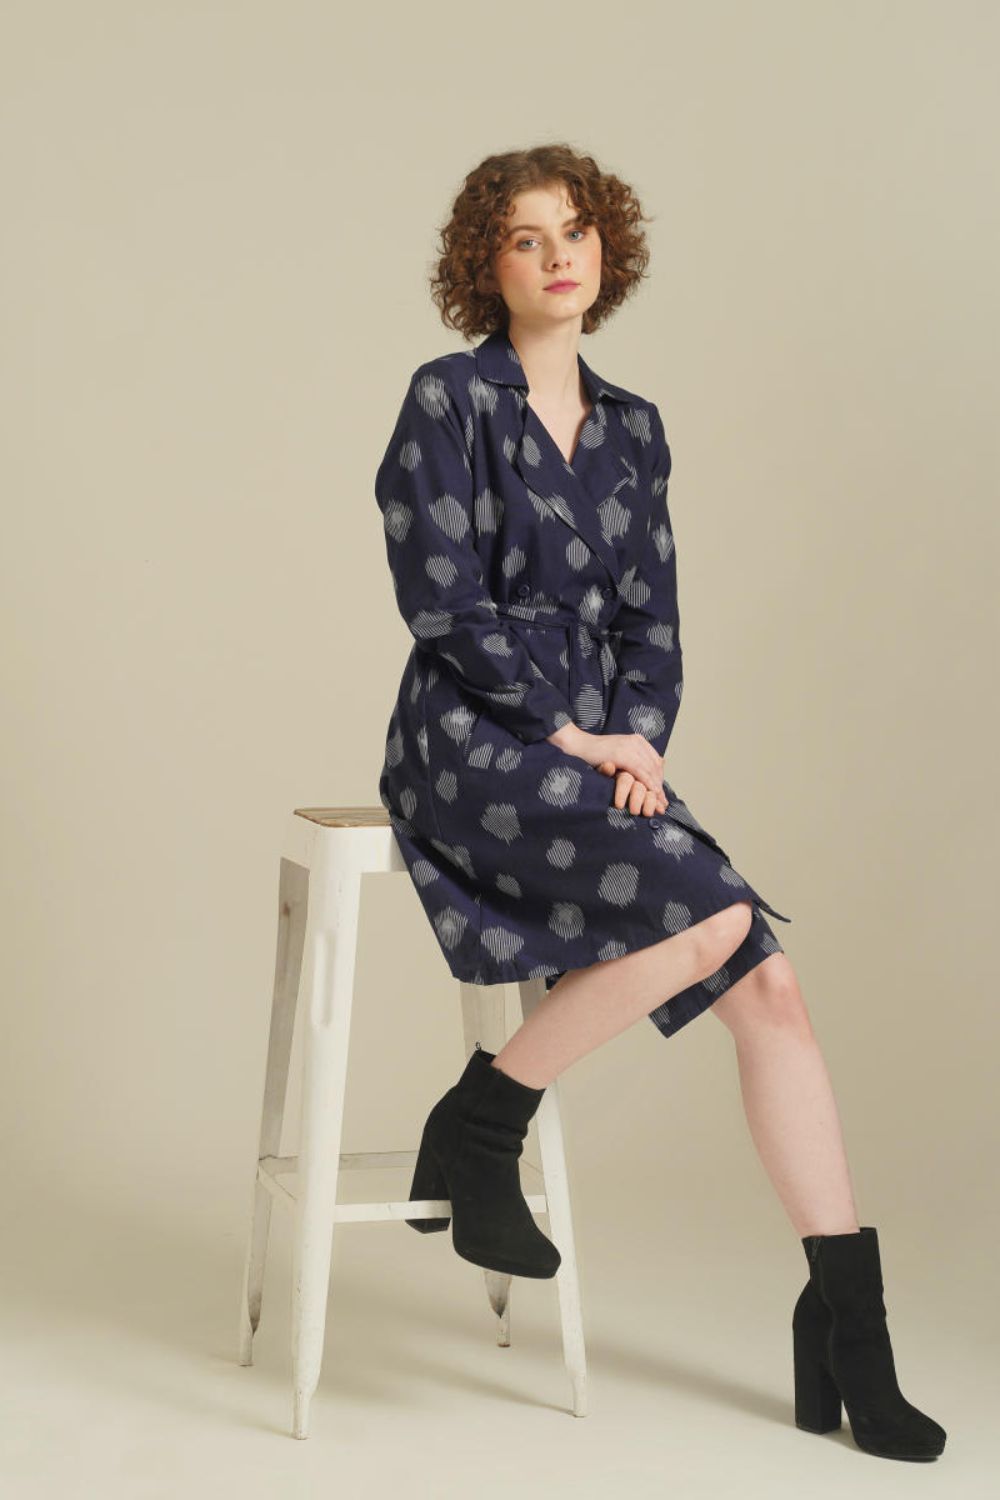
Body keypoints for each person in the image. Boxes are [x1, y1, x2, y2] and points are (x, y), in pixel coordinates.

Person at [373, 143, 945, 1462]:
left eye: (574, 231)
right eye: (525, 237)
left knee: (770, 983)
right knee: (713, 918)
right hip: (474, 736)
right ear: (487, 265)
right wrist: (568, 729)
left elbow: (653, 620)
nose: (556, 255)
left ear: (606, 249)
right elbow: (440, 599)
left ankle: (846, 1324)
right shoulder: (449, 398)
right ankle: (483, 1125)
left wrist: (636, 739)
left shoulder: (634, 428)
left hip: (599, 746)